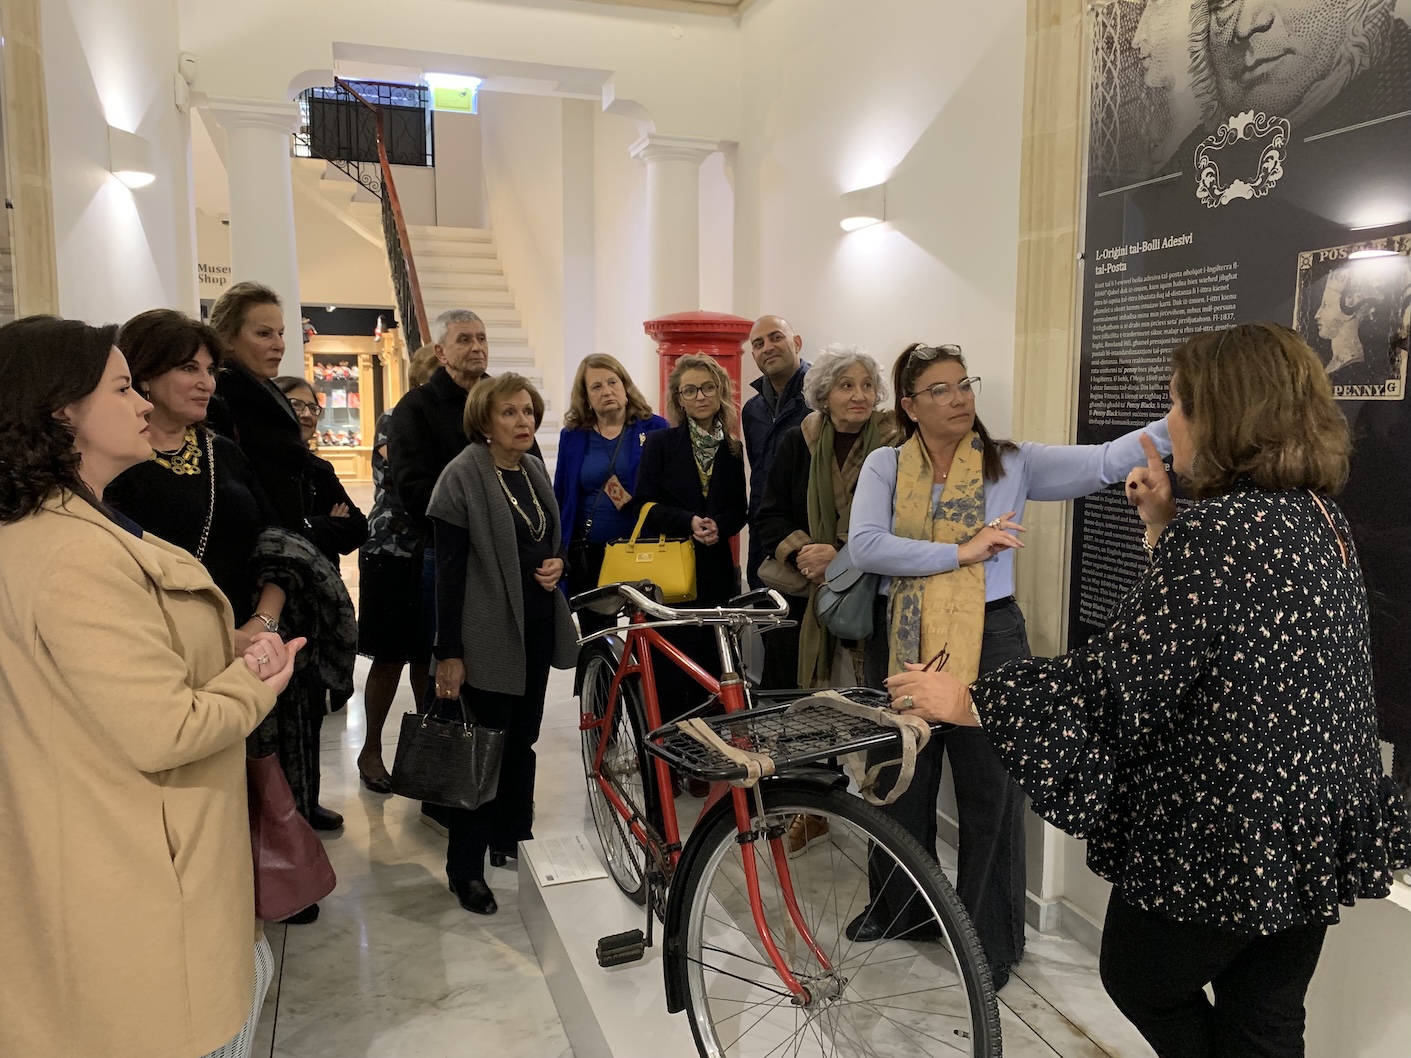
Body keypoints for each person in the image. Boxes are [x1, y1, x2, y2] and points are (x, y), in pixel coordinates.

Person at [884, 323, 1410, 1057]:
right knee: (1265, 1014)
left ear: (1222, 414)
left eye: (1177, 405)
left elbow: (1119, 681)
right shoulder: (1317, 516)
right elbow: (1222, 636)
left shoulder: (1218, 534)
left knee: (1141, 979)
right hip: (1308, 820)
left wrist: (970, 702)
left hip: (1232, 829)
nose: (1166, 426)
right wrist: (1163, 522)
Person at [0, 315, 303, 1058]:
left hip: (121, 848)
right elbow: (162, 729)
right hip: (130, 866)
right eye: (122, 386)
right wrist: (252, 684)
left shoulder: (78, 523)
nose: (141, 403)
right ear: (61, 410)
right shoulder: (72, 553)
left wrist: (213, 649)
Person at [845, 341, 1172, 992]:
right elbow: (866, 546)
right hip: (907, 629)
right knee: (902, 773)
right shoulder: (885, 464)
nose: (959, 397)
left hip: (991, 633)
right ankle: (900, 909)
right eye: (938, 389)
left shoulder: (1009, 462)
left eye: (963, 383)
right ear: (908, 406)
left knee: (990, 789)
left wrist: (1180, 418)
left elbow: (1106, 460)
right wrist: (961, 550)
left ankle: (988, 937)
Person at [428, 373, 577, 914]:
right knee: (482, 751)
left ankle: (510, 838)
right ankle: (463, 870)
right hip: (486, 633)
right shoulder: (462, 476)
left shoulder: (534, 469)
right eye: (509, 413)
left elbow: (547, 543)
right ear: (484, 421)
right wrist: (448, 652)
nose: (523, 422)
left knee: (523, 740)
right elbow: (446, 572)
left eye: (529, 412)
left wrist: (560, 564)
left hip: (534, 627)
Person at [106, 309, 287, 654]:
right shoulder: (115, 460)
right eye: (189, 368)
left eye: (210, 370)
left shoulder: (223, 451)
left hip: (252, 646)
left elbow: (278, 546)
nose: (207, 383)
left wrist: (260, 624)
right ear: (144, 374)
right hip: (159, 648)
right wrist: (211, 638)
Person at [636, 354, 749, 732]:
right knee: (672, 664)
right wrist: (688, 521)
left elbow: (739, 508)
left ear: (720, 393)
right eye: (690, 390)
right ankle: (670, 745)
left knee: (714, 663)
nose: (700, 396)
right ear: (679, 399)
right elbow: (644, 505)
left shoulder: (733, 449)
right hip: (671, 572)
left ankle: (709, 748)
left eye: (708, 388)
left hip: (716, 569)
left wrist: (720, 525)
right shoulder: (660, 444)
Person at [355, 344, 439, 792]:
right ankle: (371, 749)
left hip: (431, 552)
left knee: (427, 657)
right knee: (389, 657)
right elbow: (408, 480)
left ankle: (424, 755)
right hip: (391, 550)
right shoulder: (396, 420)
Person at [553, 353, 670, 634]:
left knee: (646, 635)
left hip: (643, 551)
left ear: (626, 387)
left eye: (612, 382)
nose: (606, 391)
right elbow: (562, 495)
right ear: (586, 397)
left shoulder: (655, 428)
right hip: (590, 553)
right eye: (596, 387)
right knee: (596, 638)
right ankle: (601, 678)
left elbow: (669, 490)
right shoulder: (573, 436)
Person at [207, 282, 315, 533]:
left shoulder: (269, 391)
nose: (279, 344)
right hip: (252, 546)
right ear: (227, 337)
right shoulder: (219, 399)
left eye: (281, 333)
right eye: (264, 334)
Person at [742, 315, 812, 685]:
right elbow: (760, 478)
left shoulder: (819, 396)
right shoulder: (751, 411)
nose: (767, 347)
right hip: (765, 541)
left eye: (776, 337)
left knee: (805, 650)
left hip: (807, 542)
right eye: (758, 343)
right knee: (774, 638)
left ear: (796, 342)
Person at [274, 375, 369, 563]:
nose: (307, 414)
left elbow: (358, 529)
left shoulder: (320, 470)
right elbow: (272, 535)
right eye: (296, 404)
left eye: (313, 408)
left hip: (322, 584)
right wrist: (327, 524)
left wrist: (309, 527)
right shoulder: (257, 465)